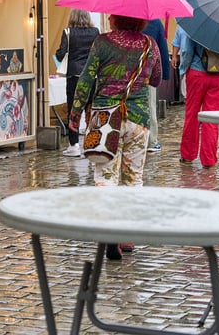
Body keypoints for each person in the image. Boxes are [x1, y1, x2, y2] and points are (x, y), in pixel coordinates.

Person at [68, 14, 161, 260]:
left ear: (116, 18)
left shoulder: (102, 43)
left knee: (105, 175)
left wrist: (75, 112)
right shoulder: (150, 44)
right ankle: (127, 235)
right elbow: (157, 79)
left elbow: (86, 79)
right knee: (133, 178)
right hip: (138, 119)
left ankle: (108, 230)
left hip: (105, 118)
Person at [177, 30, 219, 169]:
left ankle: (188, 155)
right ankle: (209, 159)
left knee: (192, 115)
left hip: (197, 72)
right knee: (212, 119)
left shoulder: (197, 24)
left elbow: (187, 51)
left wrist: (184, 69)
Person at [54, 9, 99, 157]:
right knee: (90, 109)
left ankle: (74, 145)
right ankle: (91, 142)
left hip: (74, 75)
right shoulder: (95, 32)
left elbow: (61, 54)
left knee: (74, 109)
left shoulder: (68, 32)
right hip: (91, 75)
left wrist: (57, 53)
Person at [143, 19, 171, 152]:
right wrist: (165, 74)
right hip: (147, 72)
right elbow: (162, 49)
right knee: (149, 105)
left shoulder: (122, 18)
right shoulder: (154, 23)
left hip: (125, 71)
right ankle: (151, 141)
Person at [171, 25, 189, 103]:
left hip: (202, 66)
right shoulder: (181, 25)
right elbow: (176, 42)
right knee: (187, 95)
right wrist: (174, 56)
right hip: (185, 65)